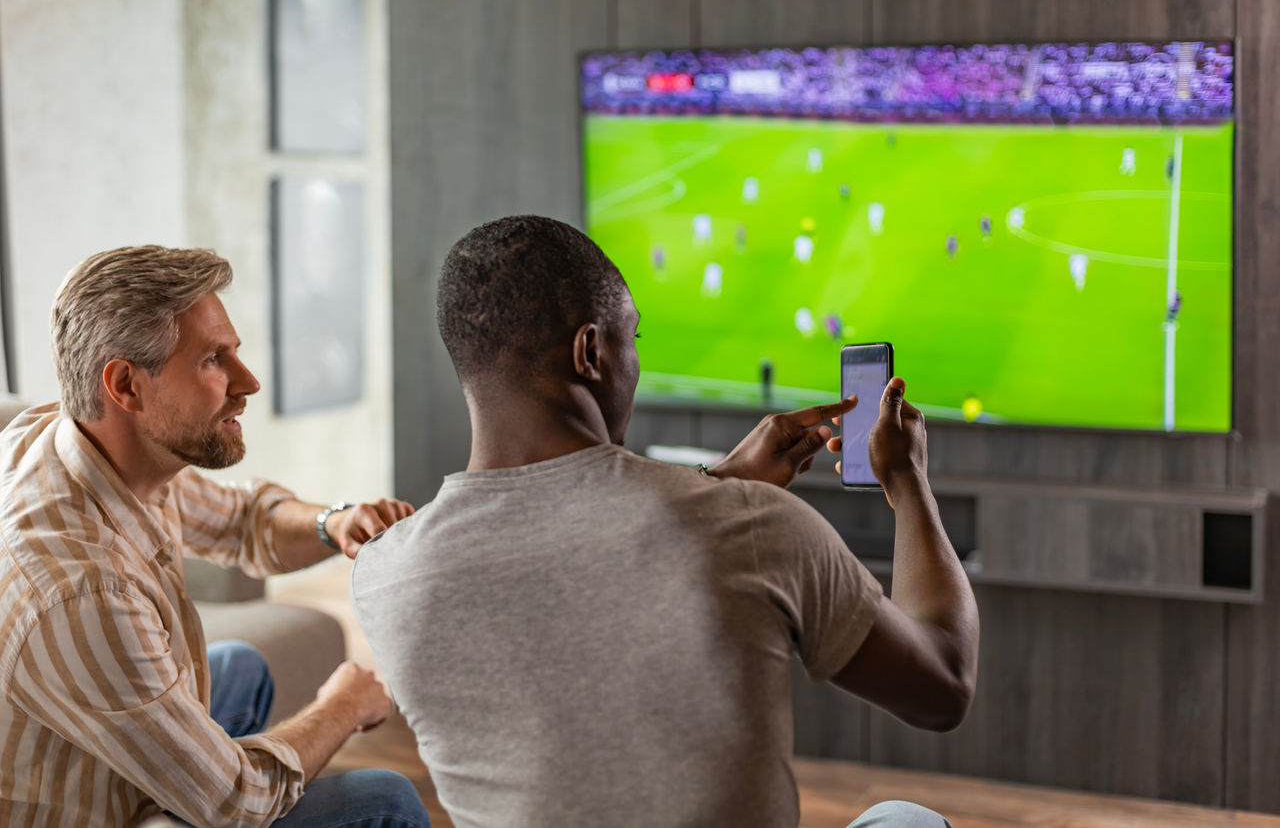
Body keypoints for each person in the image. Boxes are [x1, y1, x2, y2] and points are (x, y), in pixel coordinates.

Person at [352, 216, 979, 828]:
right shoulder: (757, 528)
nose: (636, 361)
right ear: (591, 352)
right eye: (634, 338)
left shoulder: (382, 576)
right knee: (905, 817)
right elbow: (943, 684)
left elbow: (565, 570)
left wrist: (714, 485)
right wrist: (907, 482)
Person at [0, 246, 431, 828]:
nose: (247, 383)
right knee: (387, 800)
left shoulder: (81, 440)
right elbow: (235, 801)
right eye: (213, 360)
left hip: (90, 738)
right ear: (125, 384)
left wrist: (332, 522)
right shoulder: (84, 591)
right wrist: (343, 706)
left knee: (240, 667)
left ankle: (176, 791)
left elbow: (243, 521)